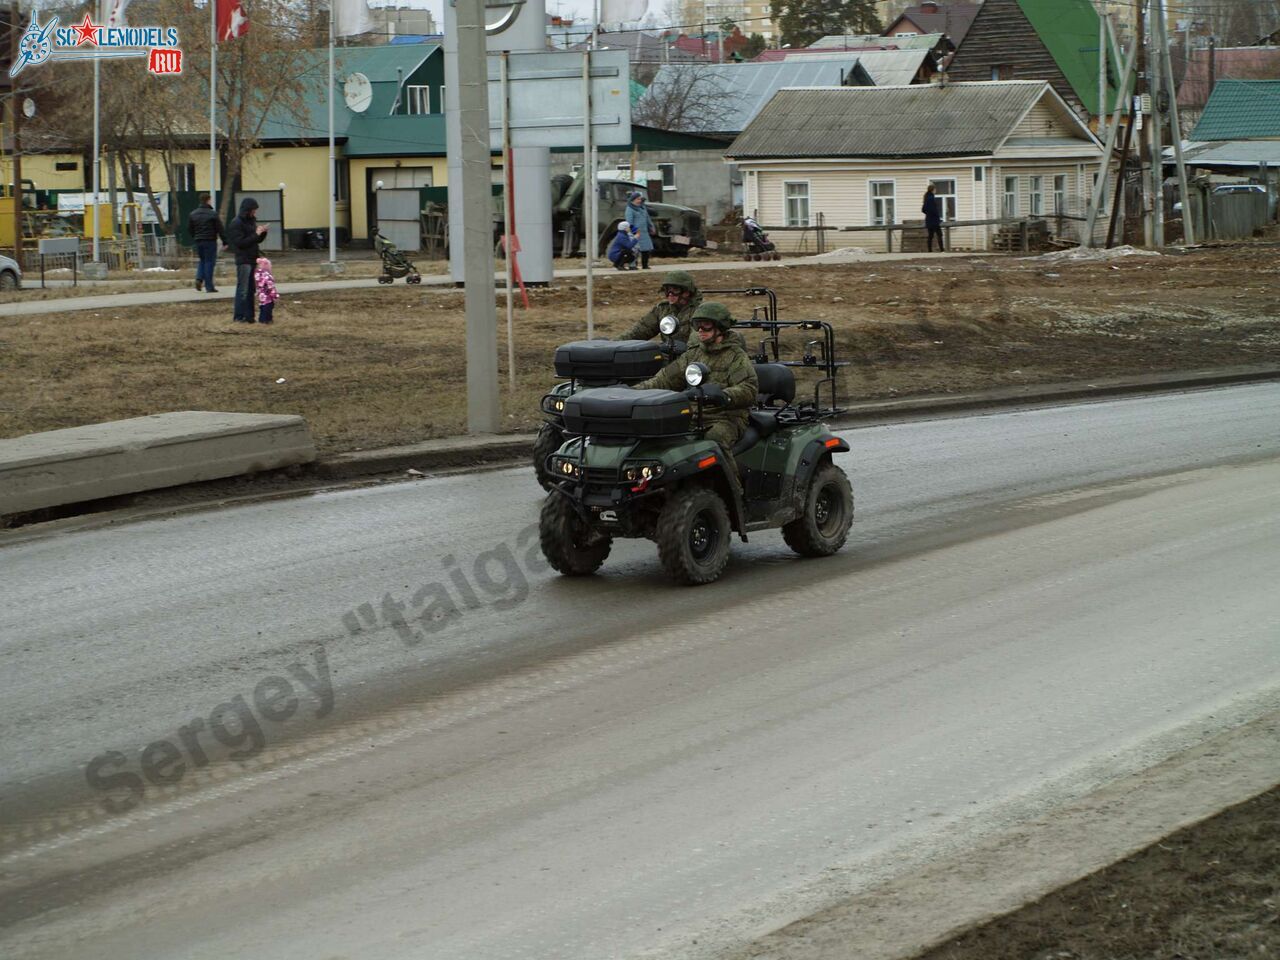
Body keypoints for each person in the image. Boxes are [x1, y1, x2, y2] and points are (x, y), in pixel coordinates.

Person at [634, 302, 758, 489]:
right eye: (697, 325)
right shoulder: (693, 354)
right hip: (692, 414)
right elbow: (664, 379)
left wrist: (723, 396)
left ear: (720, 328)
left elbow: (749, 389)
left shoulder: (736, 356)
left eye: (706, 325)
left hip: (727, 417)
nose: (700, 330)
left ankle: (732, 490)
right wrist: (633, 392)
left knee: (715, 439)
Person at [621, 270, 702, 341]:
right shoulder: (662, 309)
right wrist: (613, 344)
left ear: (686, 292)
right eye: (667, 290)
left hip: (691, 355)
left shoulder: (700, 311)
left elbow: (698, 340)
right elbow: (641, 330)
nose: (670, 294)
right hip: (667, 353)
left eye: (675, 290)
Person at [226, 197, 269, 323]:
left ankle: (249, 316)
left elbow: (255, 240)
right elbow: (240, 243)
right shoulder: (237, 223)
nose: (255, 213)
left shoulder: (250, 222)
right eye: (253, 210)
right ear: (248, 210)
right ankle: (239, 316)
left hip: (251, 258)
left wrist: (262, 233)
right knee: (243, 289)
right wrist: (255, 234)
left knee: (251, 289)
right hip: (243, 259)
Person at [186, 192, 226, 293]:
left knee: (202, 260)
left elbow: (190, 229)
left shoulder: (193, 214)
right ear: (208, 200)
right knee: (209, 262)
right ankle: (209, 286)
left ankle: (199, 278)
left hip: (198, 240)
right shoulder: (213, 214)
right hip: (210, 240)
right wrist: (225, 241)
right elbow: (220, 229)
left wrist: (195, 236)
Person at [624, 190, 656, 270]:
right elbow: (629, 222)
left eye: (640, 199)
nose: (639, 200)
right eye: (637, 199)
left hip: (644, 232)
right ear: (632, 200)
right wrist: (634, 232)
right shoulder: (629, 209)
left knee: (646, 249)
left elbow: (647, 218)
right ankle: (632, 265)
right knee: (635, 250)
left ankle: (645, 265)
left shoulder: (642, 208)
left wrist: (651, 227)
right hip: (636, 233)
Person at [255, 256, 279, 325]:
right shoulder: (267, 276)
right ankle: (267, 320)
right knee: (268, 308)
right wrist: (275, 296)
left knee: (262, 307)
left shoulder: (258, 274)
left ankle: (261, 319)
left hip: (261, 295)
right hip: (268, 296)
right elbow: (271, 287)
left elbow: (258, 285)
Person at [922, 183, 944, 253]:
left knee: (930, 236)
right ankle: (942, 249)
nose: (936, 191)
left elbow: (923, 210)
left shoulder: (926, 198)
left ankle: (929, 250)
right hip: (934, 220)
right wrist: (938, 218)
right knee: (939, 234)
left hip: (928, 220)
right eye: (935, 189)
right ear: (933, 190)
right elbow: (934, 210)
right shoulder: (932, 198)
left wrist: (928, 214)